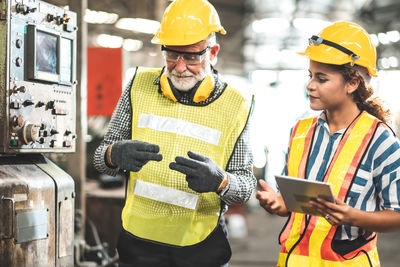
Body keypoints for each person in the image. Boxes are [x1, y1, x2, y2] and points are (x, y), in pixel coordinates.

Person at [93, 0, 256, 266]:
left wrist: (221, 182)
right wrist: (114, 154)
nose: (179, 67)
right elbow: (101, 159)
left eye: (191, 57)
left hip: (201, 249)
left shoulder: (235, 104)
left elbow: (246, 188)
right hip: (139, 245)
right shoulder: (137, 86)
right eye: (171, 55)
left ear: (212, 52)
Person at [256, 21, 400, 267]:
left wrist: (354, 217)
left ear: (353, 83)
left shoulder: (381, 139)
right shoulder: (300, 132)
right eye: (310, 76)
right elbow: (295, 204)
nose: (310, 85)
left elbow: (397, 214)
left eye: (322, 79)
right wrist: (278, 203)